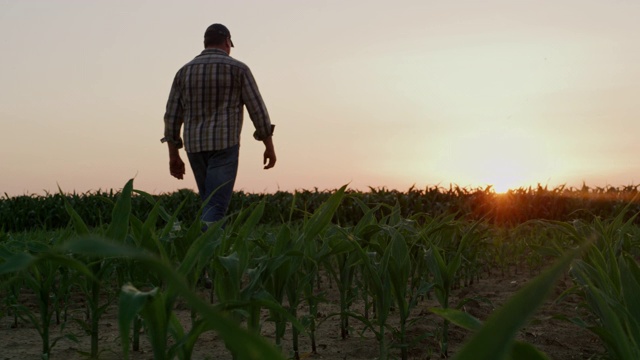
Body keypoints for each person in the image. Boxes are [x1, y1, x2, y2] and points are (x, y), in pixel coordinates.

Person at [162, 23, 276, 228]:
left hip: (194, 147)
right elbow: (257, 109)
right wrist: (268, 144)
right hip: (225, 146)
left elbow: (171, 116)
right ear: (226, 42)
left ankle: (210, 254)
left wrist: (173, 155)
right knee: (216, 205)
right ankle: (201, 250)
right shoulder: (238, 69)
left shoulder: (183, 72)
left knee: (210, 203)